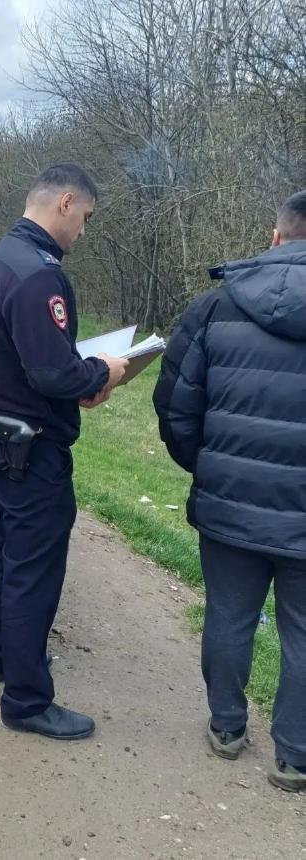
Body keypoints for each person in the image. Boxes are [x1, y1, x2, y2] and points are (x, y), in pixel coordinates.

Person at [0, 163, 128, 740]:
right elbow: (52, 372)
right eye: (84, 217)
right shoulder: (37, 275)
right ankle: (27, 700)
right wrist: (102, 371)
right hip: (34, 450)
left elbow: (17, 359)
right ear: (64, 202)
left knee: (2, 553)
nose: (82, 231)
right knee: (34, 570)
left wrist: (74, 376)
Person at [153, 190, 306, 792]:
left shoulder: (215, 308)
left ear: (275, 237)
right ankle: (294, 756)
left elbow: (176, 407)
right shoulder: (212, 306)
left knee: (229, 615)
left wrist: (208, 468)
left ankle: (227, 728)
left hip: (228, 501)